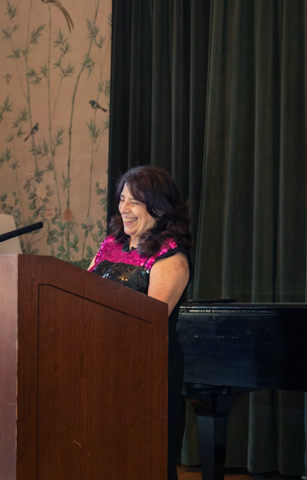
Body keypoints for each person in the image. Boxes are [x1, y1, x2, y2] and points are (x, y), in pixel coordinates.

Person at [87, 166, 192, 480]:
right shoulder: (110, 245)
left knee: (145, 462)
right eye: (122, 199)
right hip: (99, 367)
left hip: (145, 374)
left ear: (158, 207)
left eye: (134, 201)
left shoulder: (172, 258)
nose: (123, 209)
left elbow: (148, 323)